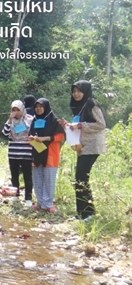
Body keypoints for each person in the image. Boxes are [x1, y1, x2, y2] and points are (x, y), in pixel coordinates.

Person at [58, 80, 106, 221]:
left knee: (80, 177)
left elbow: (101, 124)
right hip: (82, 145)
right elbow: (78, 125)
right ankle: (84, 213)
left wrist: (80, 125)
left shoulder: (91, 103)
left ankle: (86, 213)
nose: (76, 94)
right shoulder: (78, 106)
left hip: (92, 146)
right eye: (74, 91)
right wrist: (67, 125)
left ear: (85, 91)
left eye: (79, 91)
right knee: (80, 178)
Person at [28, 98, 65, 213]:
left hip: (50, 153)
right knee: (37, 177)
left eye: (41, 106)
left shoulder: (54, 120)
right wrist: (31, 138)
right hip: (37, 152)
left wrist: (44, 138)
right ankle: (40, 202)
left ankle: (48, 204)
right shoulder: (34, 120)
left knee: (49, 179)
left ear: (46, 107)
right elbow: (30, 134)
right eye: (36, 107)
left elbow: (60, 136)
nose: (38, 109)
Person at [2, 100, 34, 206]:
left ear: (22, 109)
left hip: (26, 152)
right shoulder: (10, 121)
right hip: (13, 152)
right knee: (14, 175)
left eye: (17, 110)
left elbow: (34, 133)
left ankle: (28, 197)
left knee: (27, 175)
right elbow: (5, 133)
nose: (16, 112)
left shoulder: (29, 119)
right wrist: (10, 119)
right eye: (13, 110)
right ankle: (15, 194)